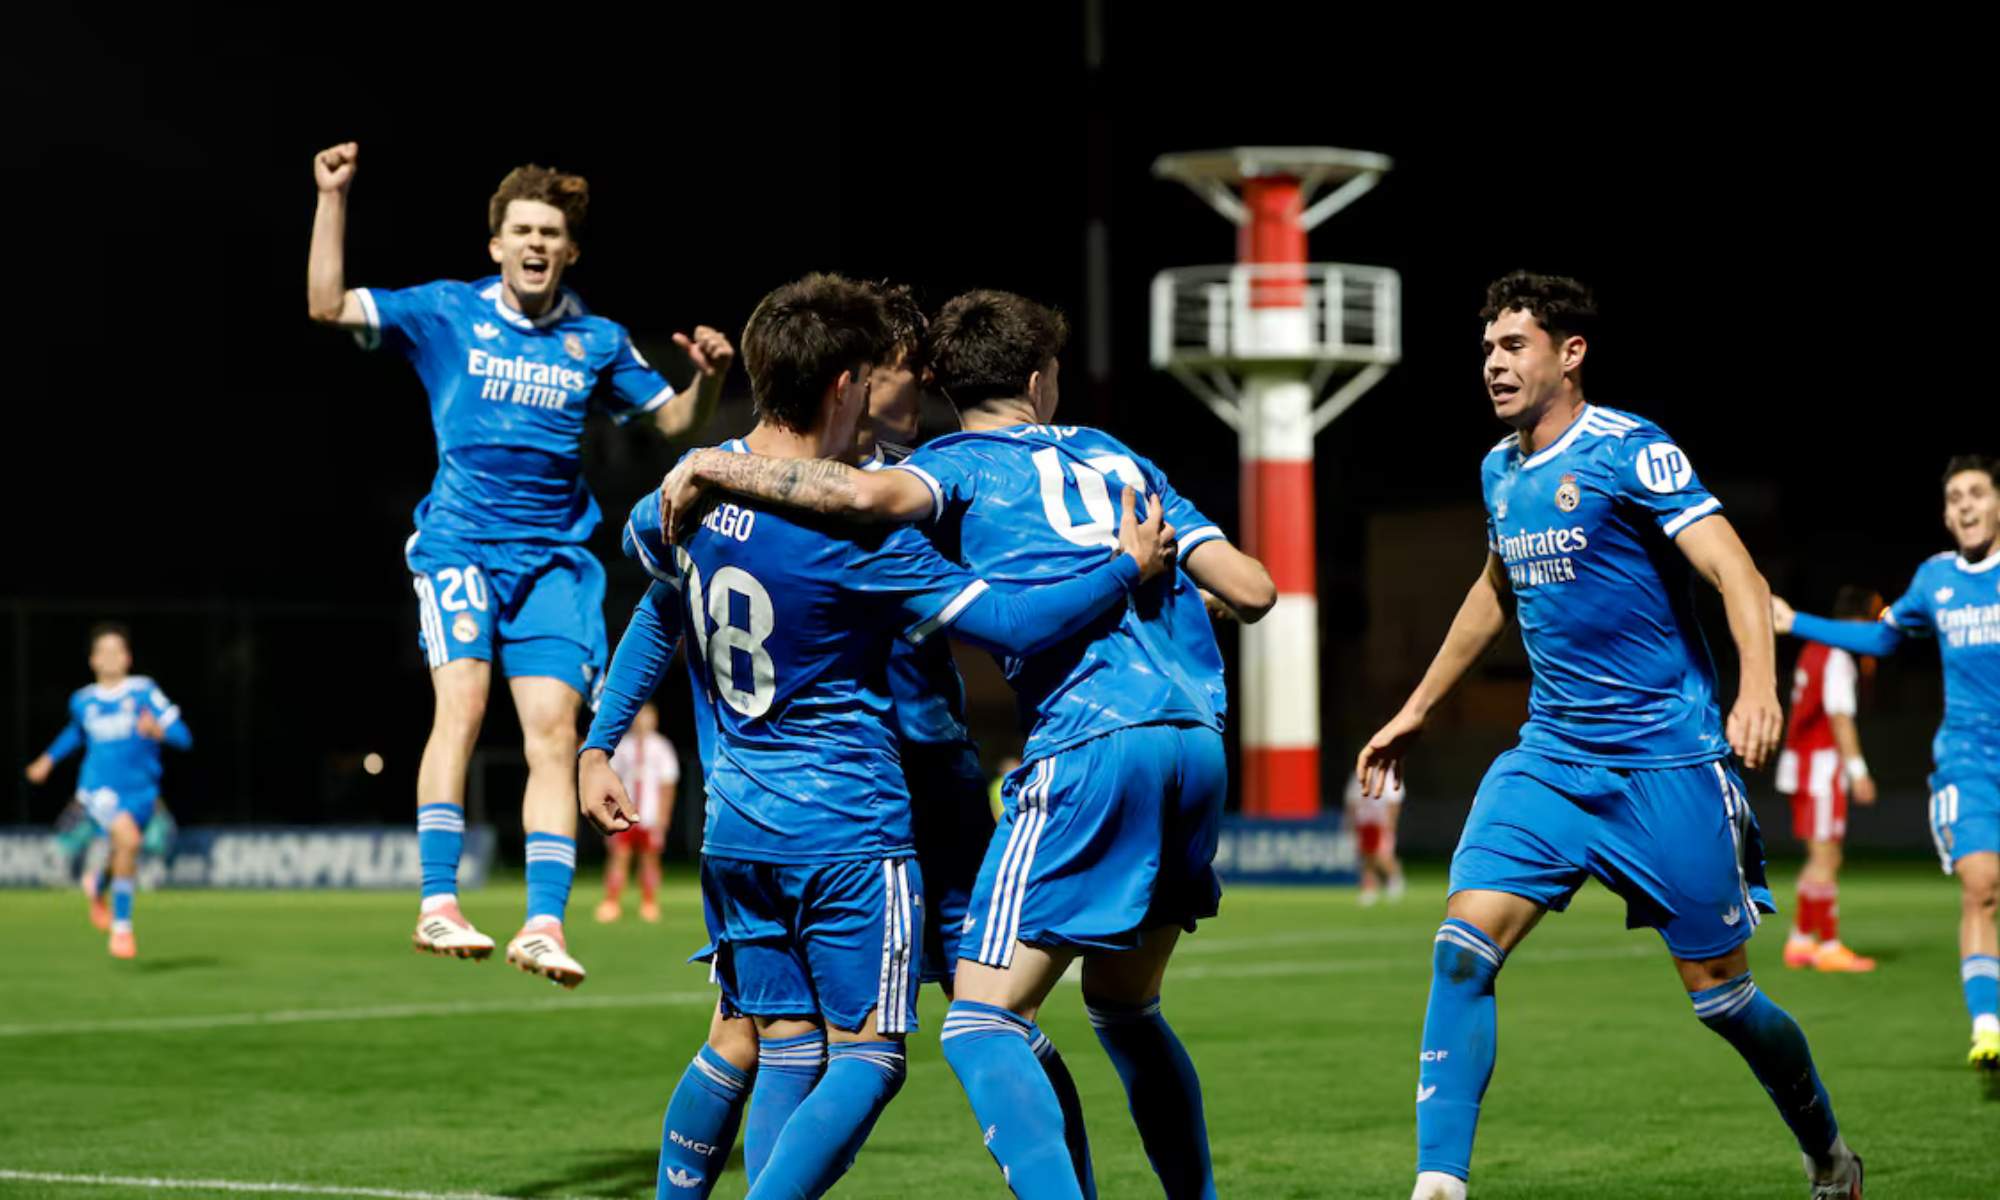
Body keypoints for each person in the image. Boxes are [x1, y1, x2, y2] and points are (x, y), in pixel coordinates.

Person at [658, 287, 1275, 1200]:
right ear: (1040, 379)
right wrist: (1145, 582)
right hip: (1196, 744)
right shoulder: (1121, 458)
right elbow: (1252, 591)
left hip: (1084, 746)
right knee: (1124, 1006)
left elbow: (866, 497)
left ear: (946, 385)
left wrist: (714, 462)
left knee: (977, 1024)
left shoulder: (952, 467)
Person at [1356, 271, 1861, 1200]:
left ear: (1569, 354)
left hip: (1665, 764)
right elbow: (1495, 589)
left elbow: (1736, 573)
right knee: (1460, 950)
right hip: (1550, 759)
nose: (1494, 365)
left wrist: (1757, 688)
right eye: (1486, 349)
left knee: (1724, 1000)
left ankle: (1828, 1150)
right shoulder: (1498, 471)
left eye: (1514, 346)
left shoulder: (1633, 450)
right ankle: (1439, 1185)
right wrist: (1419, 705)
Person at [306, 142, 731, 986]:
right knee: (459, 706)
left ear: (569, 251)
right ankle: (437, 901)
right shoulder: (444, 313)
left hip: (554, 565)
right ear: (495, 244)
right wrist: (333, 198)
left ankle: (543, 923)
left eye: (552, 232)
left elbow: (678, 425)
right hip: (461, 545)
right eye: (522, 229)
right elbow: (325, 305)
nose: (536, 242)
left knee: (555, 738)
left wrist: (710, 380)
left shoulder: (597, 340)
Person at [1773, 454, 2000, 1069]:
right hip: (1968, 760)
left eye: (1976, 494)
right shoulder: (1935, 580)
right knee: (1982, 886)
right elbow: (1882, 638)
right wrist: (1798, 621)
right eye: (1954, 499)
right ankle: (1987, 1027)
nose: (1965, 507)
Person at [24, 623, 192, 959]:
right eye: (104, 652)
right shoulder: (83, 701)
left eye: (118, 651)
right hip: (98, 789)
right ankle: (122, 929)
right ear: (93, 660)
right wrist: (47, 760)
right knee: (128, 840)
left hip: (142, 792)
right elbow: (76, 734)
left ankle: (98, 884)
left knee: (125, 851)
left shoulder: (144, 692)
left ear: (127, 658)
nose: (111, 657)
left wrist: (158, 731)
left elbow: (185, 738)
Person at [1775, 586, 1883, 972]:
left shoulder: (1813, 650)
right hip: (1819, 768)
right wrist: (1859, 772)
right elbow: (1839, 717)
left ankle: (1802, 940)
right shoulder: (1837, 655)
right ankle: (1830, 945)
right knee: (1826, 857)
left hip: (1800, 765)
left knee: (1818, 857)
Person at [597, 702, 678, 924]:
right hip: (626, 813)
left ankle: (649, 902)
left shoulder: (662, 748)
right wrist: (611, 813)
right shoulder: (623, 746)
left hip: (650, 815)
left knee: (649, 860)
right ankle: (611, 902)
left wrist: (663, 818)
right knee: (619, 857)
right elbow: (613, 782)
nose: (643, 722)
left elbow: (667, 784)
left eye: (648, 717)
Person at [1343, 767, 1405, 906]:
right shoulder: (1359, 775)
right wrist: (1351, 821)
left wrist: (1391, 821)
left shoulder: (1388, 776)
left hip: (1380, 821)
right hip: (1364, 821)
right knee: (1367, 856)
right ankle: (1369, 888)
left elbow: (1393, 801)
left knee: (1382, 855)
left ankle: (1394, 879)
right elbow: (1352, 800)